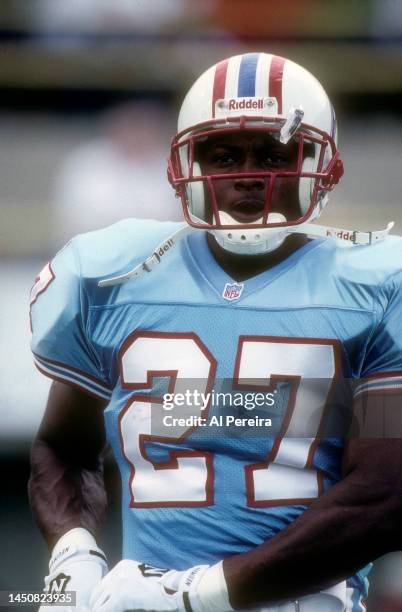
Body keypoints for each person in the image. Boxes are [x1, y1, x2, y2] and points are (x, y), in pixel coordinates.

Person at [29, 52, 402, 612]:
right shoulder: (112, 274)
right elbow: (63, 449)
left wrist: (201, 593)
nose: (250, 173)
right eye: (225, 154)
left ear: (327, 165)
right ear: (186, 164)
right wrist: (74, 554)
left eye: (276, 153)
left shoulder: (380, 283)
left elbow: (386, 493)